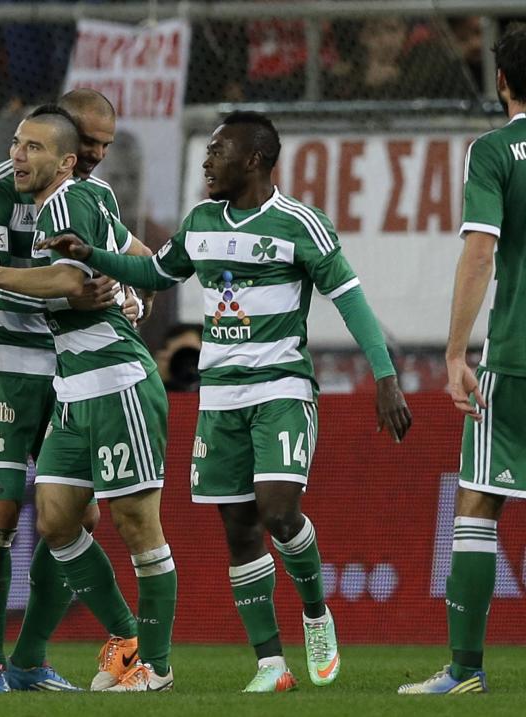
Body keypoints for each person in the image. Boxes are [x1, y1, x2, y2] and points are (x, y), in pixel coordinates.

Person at [38, 110, 412, 693]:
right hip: (219, 396)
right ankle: (271, 665)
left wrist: (385, 375)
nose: (208, 161)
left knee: (279, 512)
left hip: (281, 387)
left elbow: (351, 298)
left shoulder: (299, 224)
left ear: (256, 160)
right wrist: (91, 253)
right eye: (208, 151)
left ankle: (315, 612)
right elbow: (155, 272)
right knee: (238, 530)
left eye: (219, 151)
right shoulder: (201, 222)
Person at [0, 105, 176, 693]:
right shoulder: (26, 192)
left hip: (110, 377)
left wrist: (125, 294)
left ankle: (152, 663)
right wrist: (106, 282)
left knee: (133, 524)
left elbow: (102, 276)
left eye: (32, 148)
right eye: (19, 145)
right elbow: (97, 274)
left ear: (64, 158)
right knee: (53, 519)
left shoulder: (75, 198)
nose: (19, 155)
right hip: (45, 374)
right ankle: (87, 647)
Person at [398, 24, 526, 696]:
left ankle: (466, 669)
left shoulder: (497, 151)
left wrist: (454, 352)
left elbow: (480, 252)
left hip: (517, 351)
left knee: (479, 502)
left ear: (500, 81)